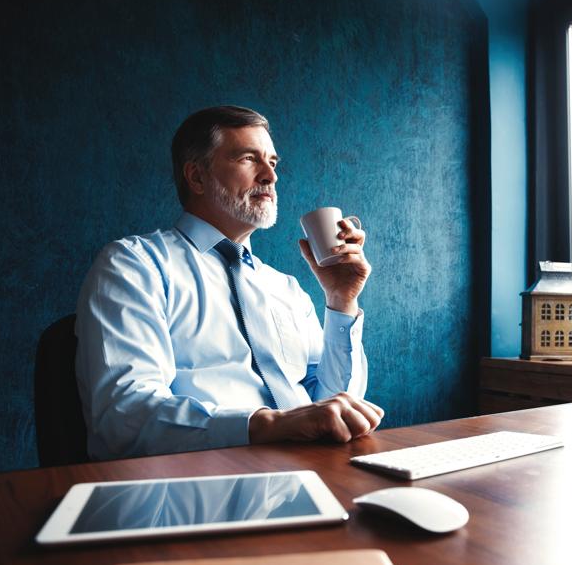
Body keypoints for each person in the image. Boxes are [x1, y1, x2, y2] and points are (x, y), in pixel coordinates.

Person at [75, 105, 382, 460]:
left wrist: (341, 299)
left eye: (273, 162)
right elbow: (125, 417)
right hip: (201, 483)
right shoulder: (134, 265)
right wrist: (268, 425)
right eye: (249, 159)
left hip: (317, 467)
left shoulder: (285, 288)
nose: (270, 176)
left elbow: (337, 407)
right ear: (197, 177)